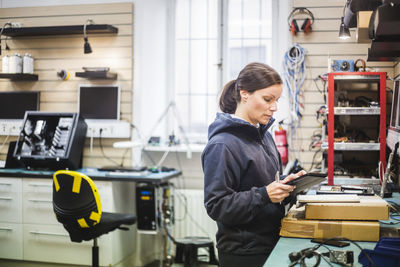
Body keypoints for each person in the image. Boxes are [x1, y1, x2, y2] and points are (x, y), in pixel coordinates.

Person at [201, 62, 306, 267]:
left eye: (276, 100)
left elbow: (261, 184)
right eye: (268, 99)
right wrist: (265, 194)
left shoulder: (263, 136)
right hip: (243, 253)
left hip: (270, 241)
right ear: (245, 94)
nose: (274, 107)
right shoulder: (222, 145)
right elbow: (217, 206)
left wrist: (288, 184)